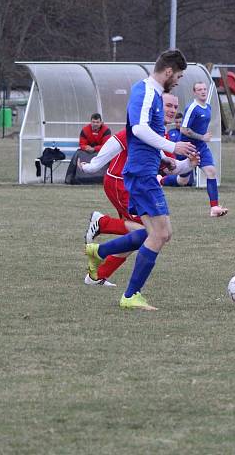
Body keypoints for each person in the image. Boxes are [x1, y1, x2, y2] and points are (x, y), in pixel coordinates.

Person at [83, 49, 197, 311]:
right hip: (141, 176)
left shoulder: (154, 94)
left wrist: (171, 161)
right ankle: (131, 295)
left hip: (144, 172)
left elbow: (144, 139)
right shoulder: (145, 91)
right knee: (162, 233)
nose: (178, 81)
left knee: (149, 233)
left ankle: (98, 252)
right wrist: (172, 146)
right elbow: (137, 129)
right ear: (168, 72)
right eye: (178, 75)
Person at [180, 81, 227, 216]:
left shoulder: (208, 107)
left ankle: (214, 208)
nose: (203, 91)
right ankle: (161, 179)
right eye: (199, 89)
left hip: (201, 146)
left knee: (211, 172)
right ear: (194, 92)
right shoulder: (192, 107)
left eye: (205, 89)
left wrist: (202, 139)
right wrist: (202, 137)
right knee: (183, 180)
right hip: (187, 146)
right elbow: (183, 129)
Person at [160, 111, 194, 187]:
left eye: (180, 122)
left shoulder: (188, 133)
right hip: (171, 160)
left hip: (184, 159)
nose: (178, 124)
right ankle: (162, 179)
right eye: (177, 122)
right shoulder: (170, 132)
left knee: (188, 182)